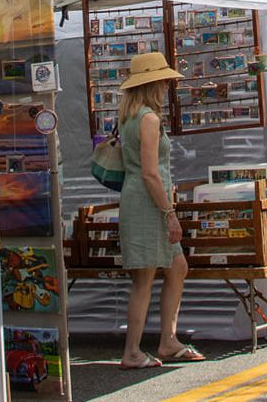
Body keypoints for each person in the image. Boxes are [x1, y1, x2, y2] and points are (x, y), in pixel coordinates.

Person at [114, 52, 205, 369]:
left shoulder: (130, 117)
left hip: (141, 199)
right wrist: (169, 212)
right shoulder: (149, 119)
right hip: (148, 203)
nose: (168, 85)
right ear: (153, 83)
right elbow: (151, 173)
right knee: (145, 277)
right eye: (164, 80)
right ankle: (133, 351)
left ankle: (167, 340)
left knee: (176, 267)